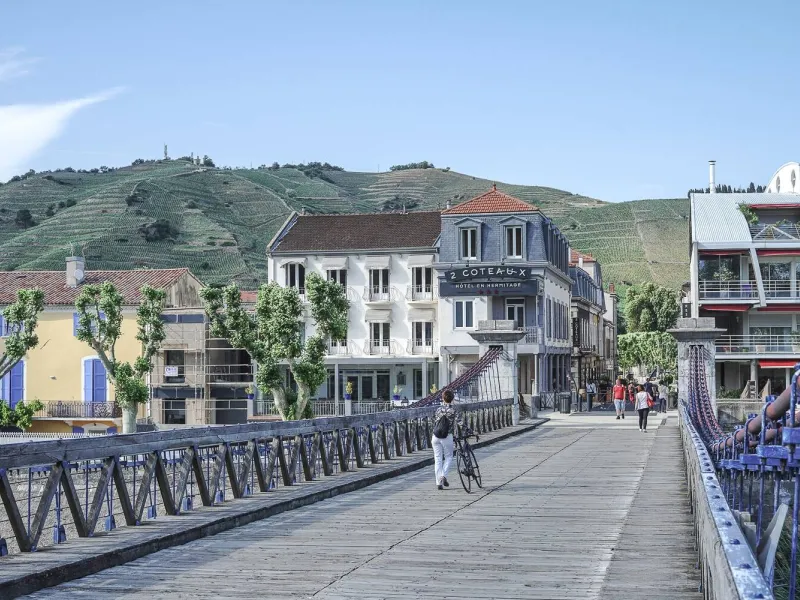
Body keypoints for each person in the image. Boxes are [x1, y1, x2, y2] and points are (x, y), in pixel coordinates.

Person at [432, 389, 465, 490]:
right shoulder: (454, 410)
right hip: (447, 436)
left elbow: (435, 421)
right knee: (449, 457)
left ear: (443, 398)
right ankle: (443, 476)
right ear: (452, 399)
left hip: (435, 437)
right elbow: (460, 423)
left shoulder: (438, 410)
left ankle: (438, 483)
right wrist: (468, 430)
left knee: (438, 458)